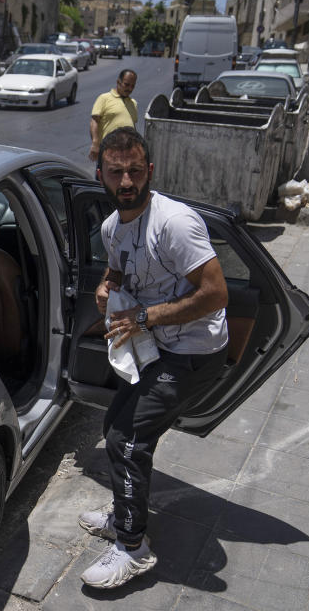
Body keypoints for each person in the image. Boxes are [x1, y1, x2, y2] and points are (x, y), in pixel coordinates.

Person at [78, 127, 229, 589]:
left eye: (135, 171)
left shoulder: (175, 223)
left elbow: (217, 294)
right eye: (116, 172)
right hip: (152, 346)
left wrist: (146, 316)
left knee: (127, 439)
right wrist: (107, 287)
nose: (127, 181)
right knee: (114, 428)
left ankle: (133, 547)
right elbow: (117, 270)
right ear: (101, 174)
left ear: (150, 172)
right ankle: (126, 510)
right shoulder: (111, 227)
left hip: (192, 351)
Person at [88, 70, 138, 162]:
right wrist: (95, 143)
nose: (129, 89)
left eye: (132, 86)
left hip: (126, 155)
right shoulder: (104, 98)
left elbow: (133, 127)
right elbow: (94, 121)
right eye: (126, 85)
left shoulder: (133, 103)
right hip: (108, 152)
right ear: (118, 82)